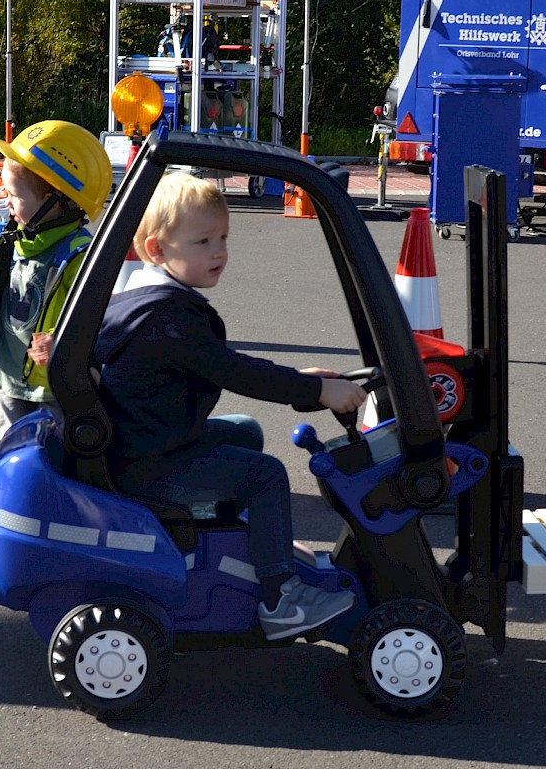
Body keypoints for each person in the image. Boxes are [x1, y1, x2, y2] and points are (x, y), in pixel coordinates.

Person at [94, 172, 368, 641]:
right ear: (157, 250)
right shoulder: (166, 317)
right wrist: (318, 394)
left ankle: (258, 547)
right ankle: (280, 598)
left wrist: (299, 381)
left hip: (144, 441)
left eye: (223, 237)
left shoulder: (143, 298)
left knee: (244, 431)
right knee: (265, 475)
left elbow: (224, 365)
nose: (219, 251)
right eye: (202, 241)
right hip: (151, 465)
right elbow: (233, 370)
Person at [0, 119, 112, 442]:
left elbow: (95, 318)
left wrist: (62, 342)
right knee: (10, 445)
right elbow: (16, 287)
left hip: (53, 385)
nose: (6, 202)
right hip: (12, 375)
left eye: (13, 194)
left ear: (56, 201)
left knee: (53, 453)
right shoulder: (21, 240)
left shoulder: (77, 255)